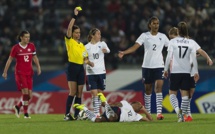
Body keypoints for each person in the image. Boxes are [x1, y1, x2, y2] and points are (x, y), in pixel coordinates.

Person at [118, 16, 169, 120]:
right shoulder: (144, 36)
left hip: (159, 65)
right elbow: (135, 46)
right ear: (149, 25)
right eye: (154, 23)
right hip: (147, 66)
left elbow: (172, 47)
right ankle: (148, 112)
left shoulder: (163, 36)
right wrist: (124, 52)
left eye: (157, 23)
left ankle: (159, 113)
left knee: (159, 87)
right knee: (148, 90)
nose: (156, 25)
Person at [168, 27, 213, 122]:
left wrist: (207, 58)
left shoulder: (186, 42)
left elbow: (199, 51)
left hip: (189, 71)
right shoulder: (183, 43)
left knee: (189, 94)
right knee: (185, 94)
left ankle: (184, 114)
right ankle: (186, 114)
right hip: (185, 72)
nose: (172, 39)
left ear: (177, 33)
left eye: (172, 37)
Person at [164, 22, 200, 122]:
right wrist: (196, 72)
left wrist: (165, 69)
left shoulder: (172, 42)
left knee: (172, 94)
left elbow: (168, 57)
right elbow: (193, 59)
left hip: (175, 71)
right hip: (187, 72)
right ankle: (183, 114)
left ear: (178, 31)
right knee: (185, 96)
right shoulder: (191, 42)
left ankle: (177, 111)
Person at [2, 30, 41, 119]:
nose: (28, 39)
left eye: (29, 37)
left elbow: (35, 57)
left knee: (29, 95)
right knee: (26, 93)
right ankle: (26, 114)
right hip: (20, 73)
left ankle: (18, 106)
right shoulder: (15, 48)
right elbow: (10, 59)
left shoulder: (31, 46)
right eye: (26, 37)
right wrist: (5, 71)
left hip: (29, 72)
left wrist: (38, 67)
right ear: (21, 37)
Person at [63, 7, 94, 121]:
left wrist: (89, 62)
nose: (78, 34)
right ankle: (67, 114)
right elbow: (70, 27)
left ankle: (76, 115)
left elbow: (85, 58)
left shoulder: (82, 45)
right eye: (76, 32)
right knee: (72, 91)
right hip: (72, 67)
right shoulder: (69, 41)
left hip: (81, 68)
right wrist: (75, 16)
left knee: (80, 93)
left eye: (79, 32)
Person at [73, 93, 153, 122]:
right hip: (116, 112)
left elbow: (150, 120)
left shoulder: (137, 116)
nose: (140, 106)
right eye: (139, 104)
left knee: (97, 120)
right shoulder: (126, 104)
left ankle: (84, 108)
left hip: (113, 116)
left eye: (140, 106)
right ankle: (106, 103)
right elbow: (117, 104)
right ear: (133, 104)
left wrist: (144, 110)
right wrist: (108, 105)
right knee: (112, 118)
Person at [85, 28, 110, 117]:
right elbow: (85, 59)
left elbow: (108, 50)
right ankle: (96, 113)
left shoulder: (102, 44)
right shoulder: (86, 47)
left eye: (100, 34)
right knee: (94, 93)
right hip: (90, 72)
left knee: (99, 93)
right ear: (92, 35)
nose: (100, 36)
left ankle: (105, 111)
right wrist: (88, 62)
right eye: (98, 34)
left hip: (101, 72)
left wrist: (105, 50)